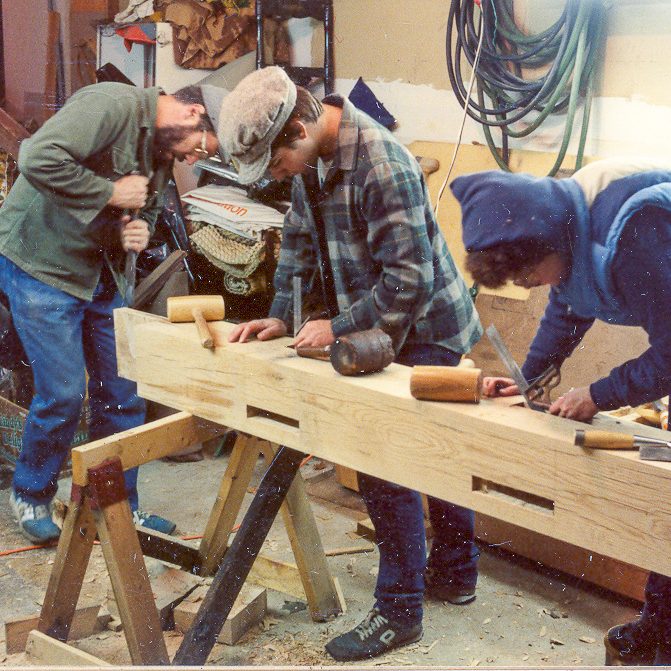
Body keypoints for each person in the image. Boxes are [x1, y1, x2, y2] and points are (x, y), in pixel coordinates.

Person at [216, 66, 483, 662]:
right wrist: (283, 316)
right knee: (424, 452)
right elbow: (300, 243)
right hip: (383, 316)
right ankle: (455, 573)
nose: (278, 178)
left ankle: (400, 610)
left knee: (385, 457)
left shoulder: (380, 163)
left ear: (298, 130)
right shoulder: (311, 161)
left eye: (276, 165)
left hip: (426, 323)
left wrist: (336, 325)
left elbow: (407, 283)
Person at [450, 157, 671, 666]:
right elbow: (569, 303)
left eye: (526, 272)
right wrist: (531, 377)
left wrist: (598, 394)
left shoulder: (634, 231)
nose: (526, 285)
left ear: (546, 242)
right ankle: (661, 625)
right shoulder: (569, 223)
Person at [0, 81, 226, 543]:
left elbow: (133, 213)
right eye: (201, 147)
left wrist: (130, 233)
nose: (194, 159)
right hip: (40, 261)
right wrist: (108, 191)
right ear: (192, 113)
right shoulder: (110, 105)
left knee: (124, 391)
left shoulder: (163, 149)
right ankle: (30, 493)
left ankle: (118, 509)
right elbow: (36, 157)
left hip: (96, 269)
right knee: (63, 393)